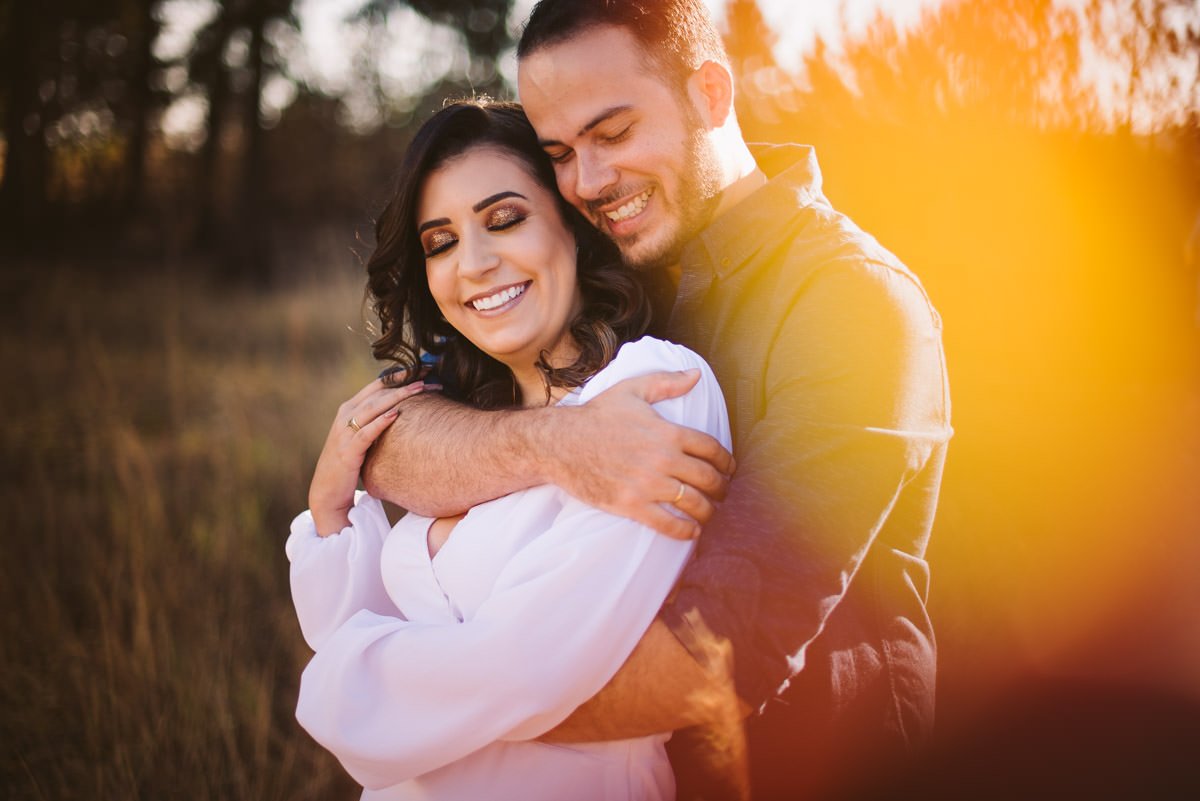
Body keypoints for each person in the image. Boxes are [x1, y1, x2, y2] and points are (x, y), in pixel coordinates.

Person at [364, 2, 953, 798]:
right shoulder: (609, 269)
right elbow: (390, 436)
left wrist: (408, 705)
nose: (589, 181)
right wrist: (554, 444)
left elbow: (713, 661)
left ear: (711, 93)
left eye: (614, 134)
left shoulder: (852, 302)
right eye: (560, 153)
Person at [287, 99, 731, 800]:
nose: (476, 264)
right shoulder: (458, 424)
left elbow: (526, 670)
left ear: (573, 226)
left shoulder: (654, 389)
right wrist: (328, 505)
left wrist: (341, 683)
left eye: (504, 219)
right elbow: (357, 616)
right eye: (441, 242)